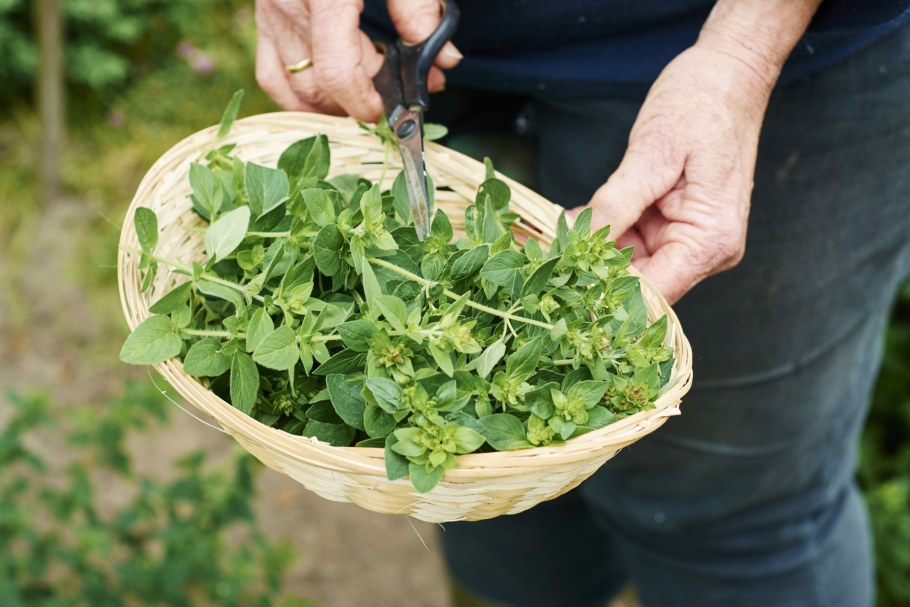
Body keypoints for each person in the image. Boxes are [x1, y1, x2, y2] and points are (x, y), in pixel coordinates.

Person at [254, 1, 910, 605]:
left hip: (749, 55)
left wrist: (744, 50)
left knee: (734, 515)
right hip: (409, 52)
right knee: (486, 490)